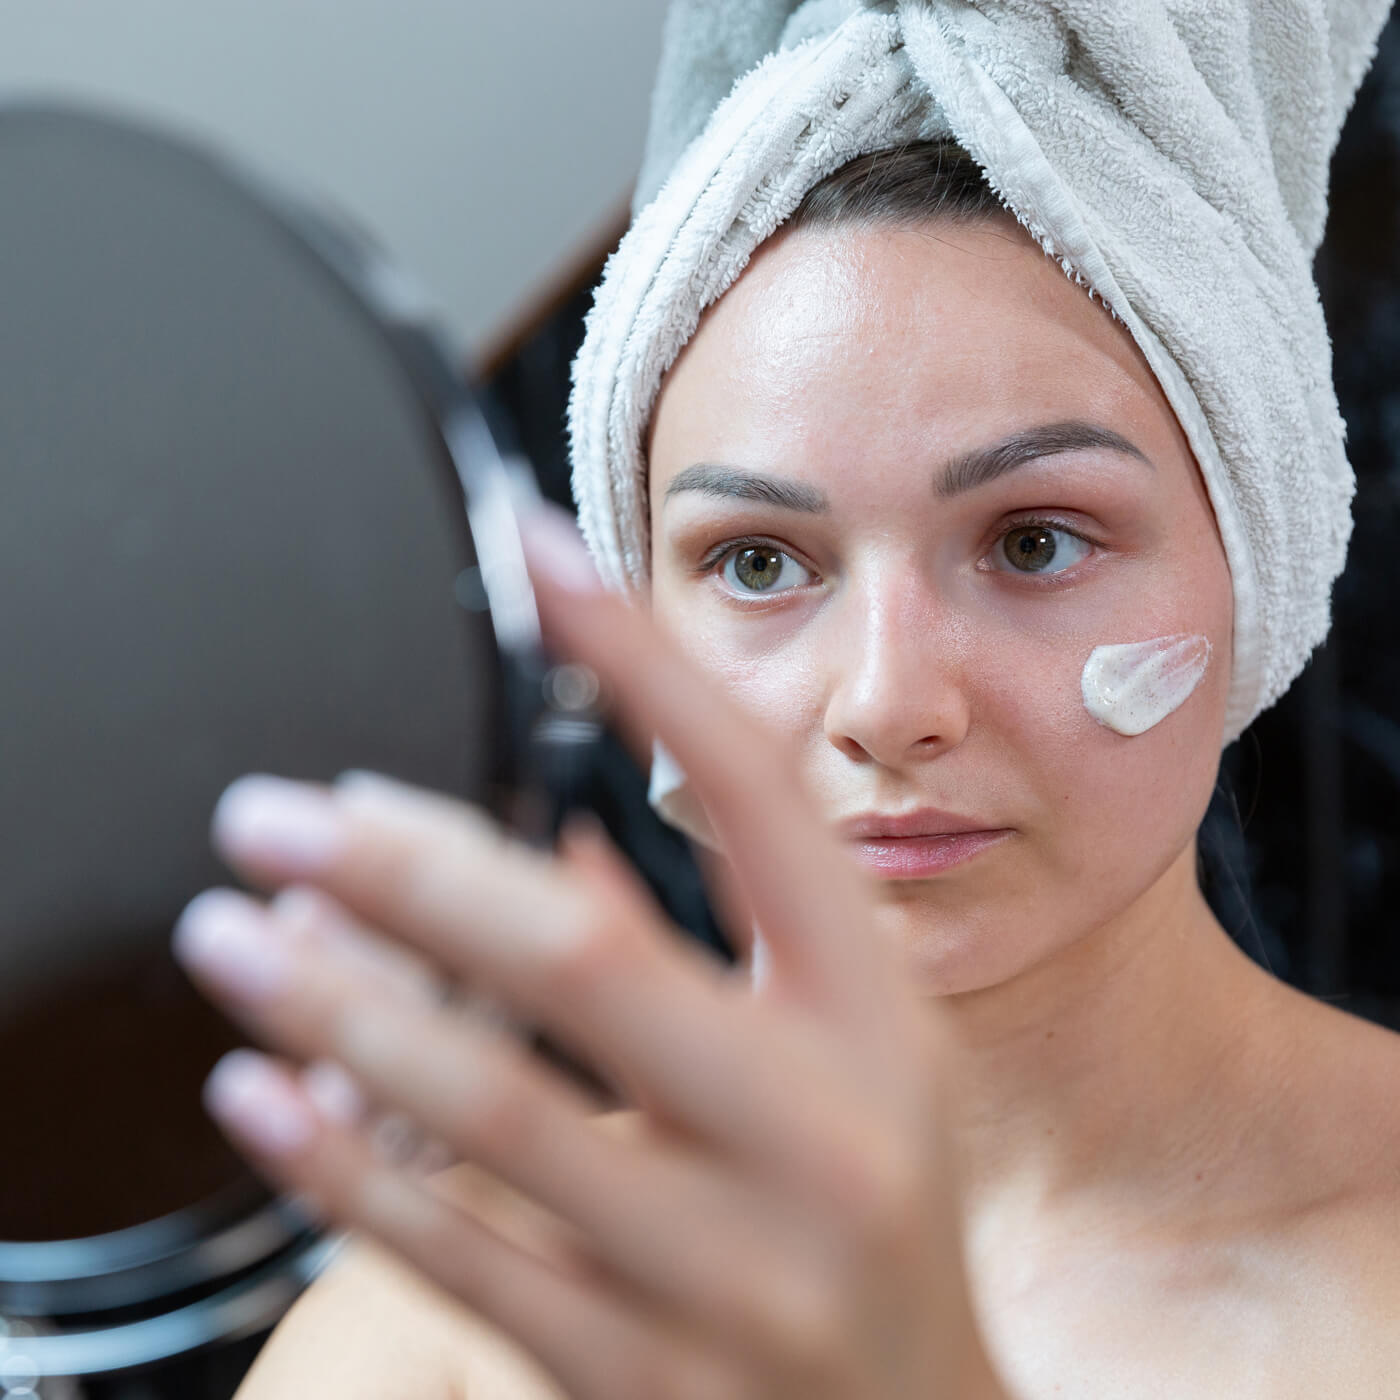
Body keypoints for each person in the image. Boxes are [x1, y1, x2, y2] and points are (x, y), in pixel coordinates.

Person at [172, 5, 1400, 1396]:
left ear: (1260, 554)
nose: (886, 701)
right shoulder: (446, 1330)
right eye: (759, 563)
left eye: (1036, 541)